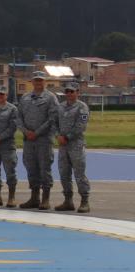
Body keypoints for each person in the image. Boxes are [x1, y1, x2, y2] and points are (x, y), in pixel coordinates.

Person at [18, 72, 60, 210]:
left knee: (44, 169)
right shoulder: (25, 98)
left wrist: (36, 132)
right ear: (32, 81)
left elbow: (52, 118)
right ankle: (34, 197)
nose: (38, 83)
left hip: (43, 139)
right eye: (36, 80)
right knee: (31, 168)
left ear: (45, 82)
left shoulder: (50, 98)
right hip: (28, 140)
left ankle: (45, 199)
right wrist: (25, 131)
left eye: (40, 80)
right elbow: (18, 118)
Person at [55, 82, 91, 213]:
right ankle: (68, 201)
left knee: (79, 174)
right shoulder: (61, 107)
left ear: (77, 93)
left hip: (76, 145)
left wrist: (67, 137)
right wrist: (57, 135)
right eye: (67, 91)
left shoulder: (82, 107)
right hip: (62, 146)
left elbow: (81, 126)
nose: (69, 94)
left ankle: (84, 201)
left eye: (72, 91)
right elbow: (54, 123)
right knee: (64, 173)